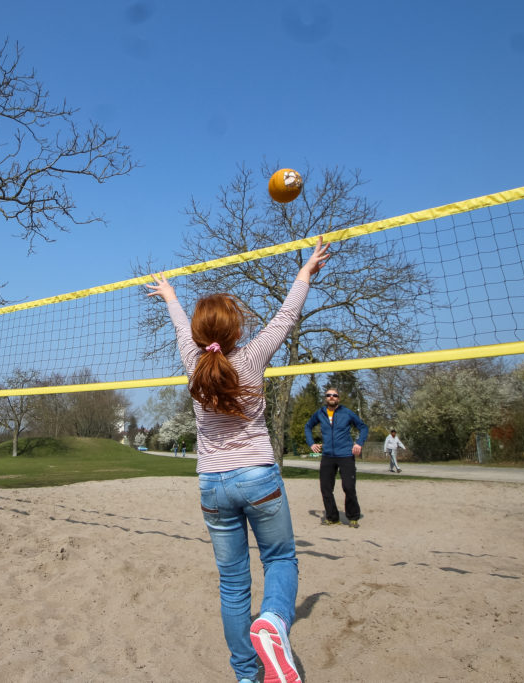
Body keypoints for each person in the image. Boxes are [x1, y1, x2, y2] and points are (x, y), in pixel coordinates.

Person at [146, 237, 330, 683]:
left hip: (212, 485)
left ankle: (247, 675)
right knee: (281, 560)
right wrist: (305, 273)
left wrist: (171, 297)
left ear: (198, 336)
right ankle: (272, 625)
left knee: (232, 586)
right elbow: (286, 316)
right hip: (258, 478)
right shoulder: (252, 357)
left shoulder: (193, 363)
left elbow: (178, 328)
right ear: (236, 331)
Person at [304, 388, 368, 528]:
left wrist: (359, 443)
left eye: (334, 395)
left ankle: (353, 517)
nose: (331, 397)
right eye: (329, 395)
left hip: (345, 454)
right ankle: (332, 518)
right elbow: (308, 426)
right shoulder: (320, 413)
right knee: (325, 488)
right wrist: (311, 443)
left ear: (338, 398)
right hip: (328, 455)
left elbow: (363, 427)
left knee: (349, 487)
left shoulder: (347, 413)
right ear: (325, 398)